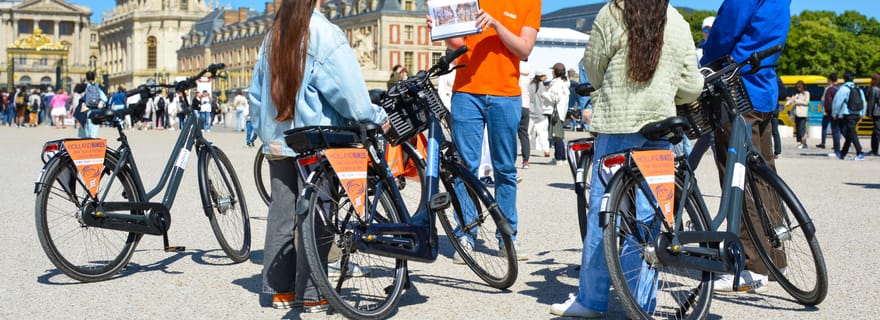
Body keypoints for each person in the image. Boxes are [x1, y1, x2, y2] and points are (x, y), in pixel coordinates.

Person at [549, 1, 703, 317]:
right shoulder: (676, 20)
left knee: (604, 217)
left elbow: (592, 69)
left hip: (617, 127)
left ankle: (591, 301)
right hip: (659, 129)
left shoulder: (612, 12)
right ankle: (640, 305)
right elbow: (690, 86)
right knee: (648, 224)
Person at [247, 0, 387, 311]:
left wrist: (266, 132)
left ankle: (279, 290)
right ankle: (312, 292)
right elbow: (349, 94)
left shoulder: (273, 34)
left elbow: (255, 96)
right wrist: (375, 115)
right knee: (319, 216)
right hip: (315, 142)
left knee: (281, 213)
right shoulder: (324, 33)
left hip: (279, 142)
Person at [427, 0, 540, 261]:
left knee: (505, 169)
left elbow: (524, 48)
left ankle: (507, 236)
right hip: (466, 92)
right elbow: (460, 43)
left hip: (506, 94)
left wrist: (497, 24)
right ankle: (466, 232)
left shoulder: (530, 2)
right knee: (464, 168)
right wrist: (440, 30)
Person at [701, 0, 790, 292]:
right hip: (764, 84)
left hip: (738, 86)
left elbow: (725, 30)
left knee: (738, 177)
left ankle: (752, 265)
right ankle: (774, 257)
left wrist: (705, 62)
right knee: (766, 176)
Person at [832, 71, 867, 160]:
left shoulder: (843, 89)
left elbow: (837, 102)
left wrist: (835, 113)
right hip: (857, 113)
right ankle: (843, 153)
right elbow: (863, 102)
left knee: (852, 133)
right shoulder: (858, 88)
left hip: (848, 114)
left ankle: (860, 153)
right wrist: (862, 114)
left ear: (844, 79)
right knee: (849, 133)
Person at [542, 62, 570, 165]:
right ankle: (562, 157)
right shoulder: (563, 83)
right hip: (560, 112)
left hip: (554, 112)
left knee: (555, 135)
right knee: (559, 135)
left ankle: (559, 158)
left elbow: (555, 98)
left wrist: (544, 94)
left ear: (555, 71)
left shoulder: (557, 84)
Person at [77, 71, 108, 138]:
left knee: (85, 127)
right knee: (94, 128)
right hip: (95, 110)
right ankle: (93, 140)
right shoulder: (97, 86)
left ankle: (86, 140)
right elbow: (105, 98)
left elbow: (78, 93)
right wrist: (101, 103)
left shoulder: (85, 86)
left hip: (86, 109)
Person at [529, 71, 551, 158]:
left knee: (527, 133)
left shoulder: (530, 85)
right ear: (541, 77)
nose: (546, 78)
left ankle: (525, 148)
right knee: (543, 133)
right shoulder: (542, 86)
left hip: (530, 111)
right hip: (540, 113)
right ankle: (546, 150)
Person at [817, 72, 840, 150]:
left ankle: (823, 142)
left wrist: (826, 109)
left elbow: (824, 99)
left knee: (825, 127)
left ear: (830, 80)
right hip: (838, 111)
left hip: (828, 111)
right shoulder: (840, 87)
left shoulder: (828, 88)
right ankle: (836, 144)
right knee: (837, 128)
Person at [787, 80, 810, 149]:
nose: (798, 89)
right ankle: (801, 142)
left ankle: (804, 143)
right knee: (798, 129)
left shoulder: (806, 93)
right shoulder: (796, 94)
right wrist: (790, 101)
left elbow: (806, 102)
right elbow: (793, 102)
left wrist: (796, 101)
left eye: (799, 87)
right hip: (796, 113)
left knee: (802, 129)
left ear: (803, 87)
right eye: (797, 87)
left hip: (803, 113)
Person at [518, 60, 532, 169]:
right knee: (524, 134)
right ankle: (526, 161)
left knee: (510, 134)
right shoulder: (528, 74)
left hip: (514, 104)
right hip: (526, 105)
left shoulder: (514, 70)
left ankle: (511, 160)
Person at [866, 72, 880, 156]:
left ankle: (874, 150)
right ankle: (874, 149)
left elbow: (871, 102)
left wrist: (869, 113)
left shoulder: (873, 88)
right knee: (875, 132)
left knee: (877, 132)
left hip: (877, 113)